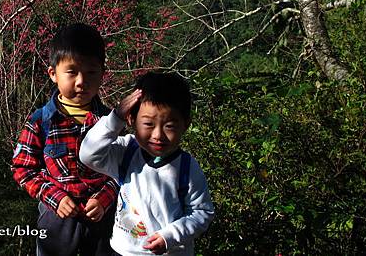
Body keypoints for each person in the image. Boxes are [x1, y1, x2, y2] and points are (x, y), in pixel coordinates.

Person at [11, 23, 118, 256]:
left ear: (102, 73)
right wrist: (56, 198)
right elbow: (22, 168)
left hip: (102, 216)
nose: (82, 81)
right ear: (53, 74)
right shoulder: (41, 121)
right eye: (72, 72)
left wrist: (104, 198)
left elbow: (125, 171)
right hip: (56, 216)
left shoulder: (110, 122)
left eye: (91, 72)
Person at [80, 72, 214, 256]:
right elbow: (88, 154)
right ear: (131, 120)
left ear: (186, 124)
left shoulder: (187, 168)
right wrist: (115, 118)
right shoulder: (126, 152)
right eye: (148, 124)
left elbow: (202, 212)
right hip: (123, 250)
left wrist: (170, 236)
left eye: (169, 126)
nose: (158, 134)